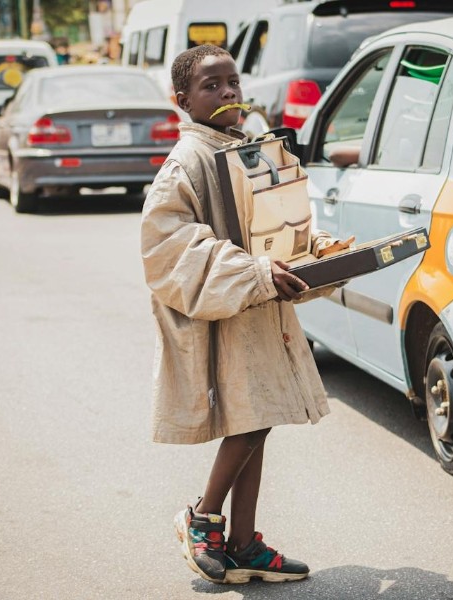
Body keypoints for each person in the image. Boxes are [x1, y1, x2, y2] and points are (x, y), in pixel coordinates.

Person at [140, 44, 333, 585]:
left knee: (260, 420)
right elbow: (167, 246)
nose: (227, 93)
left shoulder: (252, 149)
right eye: (211, 86)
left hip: (262, 310)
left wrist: (315, 247)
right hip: (229, 311)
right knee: (248, 425)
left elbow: (278, 225)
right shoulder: (187, 161)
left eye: (232, 82)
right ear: (183, 101)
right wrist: (252, 273)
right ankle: (203, 519)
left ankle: (244, 543)